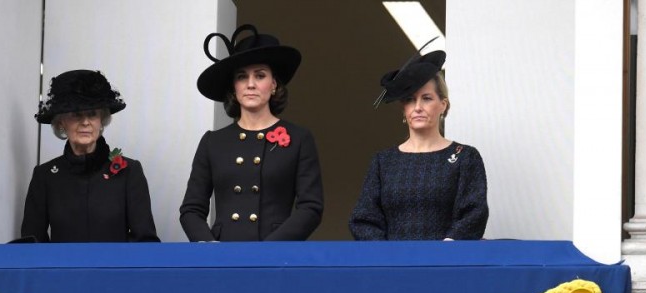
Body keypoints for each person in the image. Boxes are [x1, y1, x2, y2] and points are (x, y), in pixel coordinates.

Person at [180, 24, 324, 242]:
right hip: (223, 256)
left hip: (275, 257)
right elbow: (191, 209)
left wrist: (270, 250)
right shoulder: (213, 142)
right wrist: (208, 246)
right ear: (234, 88)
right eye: (241, 77)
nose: (250, 84)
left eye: (260, 75)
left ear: (274, 84)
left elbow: (311, 207)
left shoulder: (299, 138)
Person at [349, 42, 488, 241]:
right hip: (393, 267)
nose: (418, 107)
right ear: (403, 109)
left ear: (443, 104)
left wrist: (443, 251)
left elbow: (474, 214)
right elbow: (363, 219)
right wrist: (388, 256)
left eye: (427, 98)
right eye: (410, 100)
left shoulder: (465, 157)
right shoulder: (383, 162)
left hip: (448, 264)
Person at [21, 69, 160, 242]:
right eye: (76, 114)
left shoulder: (130, 171)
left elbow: (145, 242)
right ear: (61, 122)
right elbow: (31, 246)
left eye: (92, 114)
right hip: (63, 269)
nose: (85, 122)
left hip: (116, 268)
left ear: (101, 120)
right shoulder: (44, 176)